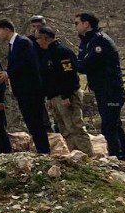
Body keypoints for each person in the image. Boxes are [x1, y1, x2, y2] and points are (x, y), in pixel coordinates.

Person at [76, 13, 125, 162]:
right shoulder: (86, 41)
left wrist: (74, 63)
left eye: (77, 23)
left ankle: (116, 157)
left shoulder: (100, 41)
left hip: (111, 89)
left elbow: (84, 65)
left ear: (86, 24)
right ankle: (124, 155)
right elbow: (82, 63)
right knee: (114, 123)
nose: (76, 26)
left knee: (108, 126)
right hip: (100, 89)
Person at [0, 19, 49, 154]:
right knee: (31, 123)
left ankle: (44, 151)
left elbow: (27, 63)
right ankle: (41, 150)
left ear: (7, 30)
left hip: (30, 90)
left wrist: (8, 73)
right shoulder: (13, 45)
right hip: (22, 91)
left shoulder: (23, 42)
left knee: (36, 122)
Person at [34, 25, 90, 154]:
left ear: (45, 38)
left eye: (37, 38)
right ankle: (75, 155)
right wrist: (49, 97)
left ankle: (87, 156)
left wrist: (66, 96)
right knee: (65, 130)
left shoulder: (62, 51)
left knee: (75, 128)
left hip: (66, 95)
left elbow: (69, 75)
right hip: (54, 97)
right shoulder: (47, 53)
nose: (36, 42)